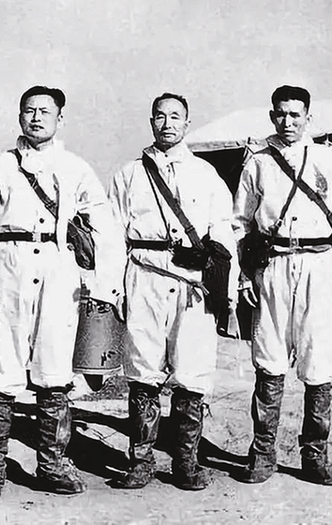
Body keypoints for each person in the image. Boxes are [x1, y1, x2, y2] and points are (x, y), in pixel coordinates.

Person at [0, 85, 124, 501]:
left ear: (60, 119)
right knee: (0, 366)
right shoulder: (1, 166)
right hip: (10, 266)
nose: (36, 118)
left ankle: (52, 464)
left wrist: (105, 283)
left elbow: (105, 225)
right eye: (29, 110)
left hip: (58, 268)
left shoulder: (75, 167)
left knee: (54, 368)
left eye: (45, 111)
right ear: (19, 117)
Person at [233, 85, 332, 485]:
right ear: (271, 116)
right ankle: (262, 453)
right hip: (273, 265)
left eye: (295, 115)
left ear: (308, 117)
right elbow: (239, 224)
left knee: (317, 358)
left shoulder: (329, 160)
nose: (287, 122)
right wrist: (244, 273)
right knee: (269, 357)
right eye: (280, 114)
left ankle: (315, 455)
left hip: (318, 265)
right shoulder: (258, 163)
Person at [106, 93, 236, 491]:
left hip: (192, 282)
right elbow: (112, 235)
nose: (167, 124)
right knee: (142, 367)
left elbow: (223, 231)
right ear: (151, 122)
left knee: (192, 370)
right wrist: (114, 289)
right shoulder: (129, 174)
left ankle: (186, 462)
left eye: (175, 117)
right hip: (144, 275)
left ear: (187, 123)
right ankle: (141, 461)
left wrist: (222, 285)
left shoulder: (205, 174)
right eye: (160, 117)